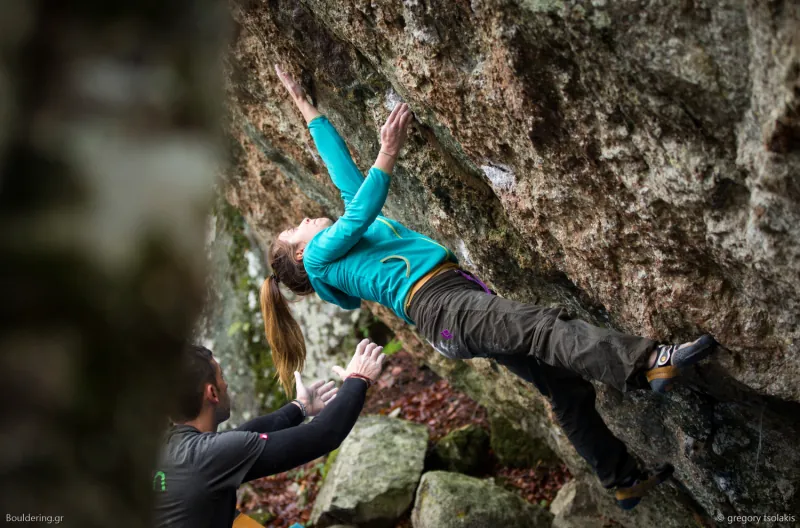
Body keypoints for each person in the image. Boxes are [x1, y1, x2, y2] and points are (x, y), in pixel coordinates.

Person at [260, 65, 719, 510]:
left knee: (563, 385)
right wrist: (388, 150)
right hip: (443, 308)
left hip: (449, 309)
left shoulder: (338, 250)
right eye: (294, 230)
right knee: (542, 327)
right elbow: (359, 212)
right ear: (300, 254)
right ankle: (648, 362)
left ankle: (622, 481)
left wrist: (305, 106)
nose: (301, 220)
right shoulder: (320, 260)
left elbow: (347, 187)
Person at [153, 339, 386, 528]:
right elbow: (324, 434)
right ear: (212, 392)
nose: (227, 384)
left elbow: (243, 436)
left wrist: (300, 407)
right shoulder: (209, 456)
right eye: (221, 376)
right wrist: (358, 379)